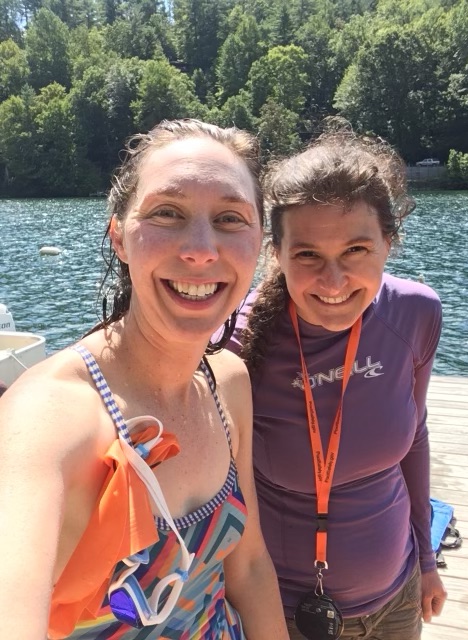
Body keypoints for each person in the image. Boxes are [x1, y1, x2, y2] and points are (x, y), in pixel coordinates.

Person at [0, 119, 289, 640]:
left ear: (260, 244)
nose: (201, 249)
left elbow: (247, 567)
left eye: (230, 218)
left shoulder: (228, 383)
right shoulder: (50, 415)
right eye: (167, 213)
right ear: (119, 236)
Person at [227, 124, 447, 639]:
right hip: (286, 614)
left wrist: (426, 561)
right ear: (276, 252)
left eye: (356, 250)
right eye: (308, 254)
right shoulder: (234, 341)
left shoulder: (415, 313)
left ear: (388, 242)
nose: (333, 281)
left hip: (399, 598)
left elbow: (414, 436)